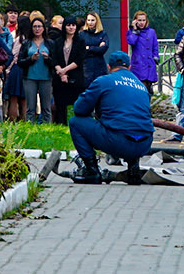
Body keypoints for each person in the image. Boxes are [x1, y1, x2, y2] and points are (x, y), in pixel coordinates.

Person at [61, 51, 156, 186]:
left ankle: (92, 171)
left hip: (118, 141)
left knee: (75, 122)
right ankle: (133, 166)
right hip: (144, 144)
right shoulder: (141, 86)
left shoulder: (103, 81)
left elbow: (79, 109)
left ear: (108, 67)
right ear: (129, 68)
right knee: (133, 124)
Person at [19, 16, 55, 123]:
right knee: (30, 107)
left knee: (46, 108)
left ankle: (47, 129)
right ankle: (30, 128)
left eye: (39, 26)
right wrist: (31, 59)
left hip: (46, 78)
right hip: (30, 77)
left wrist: (47, 59)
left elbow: (56, 62)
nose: (37, 29)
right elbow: (20, 62)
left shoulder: (50, 43)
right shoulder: (26, 43)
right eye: (35, 27)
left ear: (44, 28)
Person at [53, 17, 84, 124]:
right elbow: (54, 58)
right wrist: (61, 73)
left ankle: (77, 125)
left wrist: (65, 70)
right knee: (60, 104)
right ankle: (60, 125)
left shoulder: (80, 41)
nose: (71, 28)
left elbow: (79, 59)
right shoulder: (58, 41)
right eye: (68, 25)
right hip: (59, 77)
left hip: (75, 76)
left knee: (76, 103)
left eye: (73, 25)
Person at [125, 11, 160, 94]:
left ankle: (147, 106)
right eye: (139, 20)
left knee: (148, 89)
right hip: (138, 64)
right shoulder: (131, 32)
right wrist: (135, 31)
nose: (141, 22)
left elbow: (155, 46)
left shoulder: (151, 32)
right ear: (135, 21)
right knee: (140, 90)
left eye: (143, 20)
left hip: (149, 64)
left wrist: (156, 57)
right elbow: (131, 42)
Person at [79, 12, 110, 87]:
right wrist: (96, 48)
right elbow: (81, 50)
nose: (90, 22)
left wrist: (89, 48)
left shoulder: (102, 33)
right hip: (86, 67)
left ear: (97, 21)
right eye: (88, 20)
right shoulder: (82, 34)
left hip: (99, 66)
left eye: (92, 20)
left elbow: (103, 49)